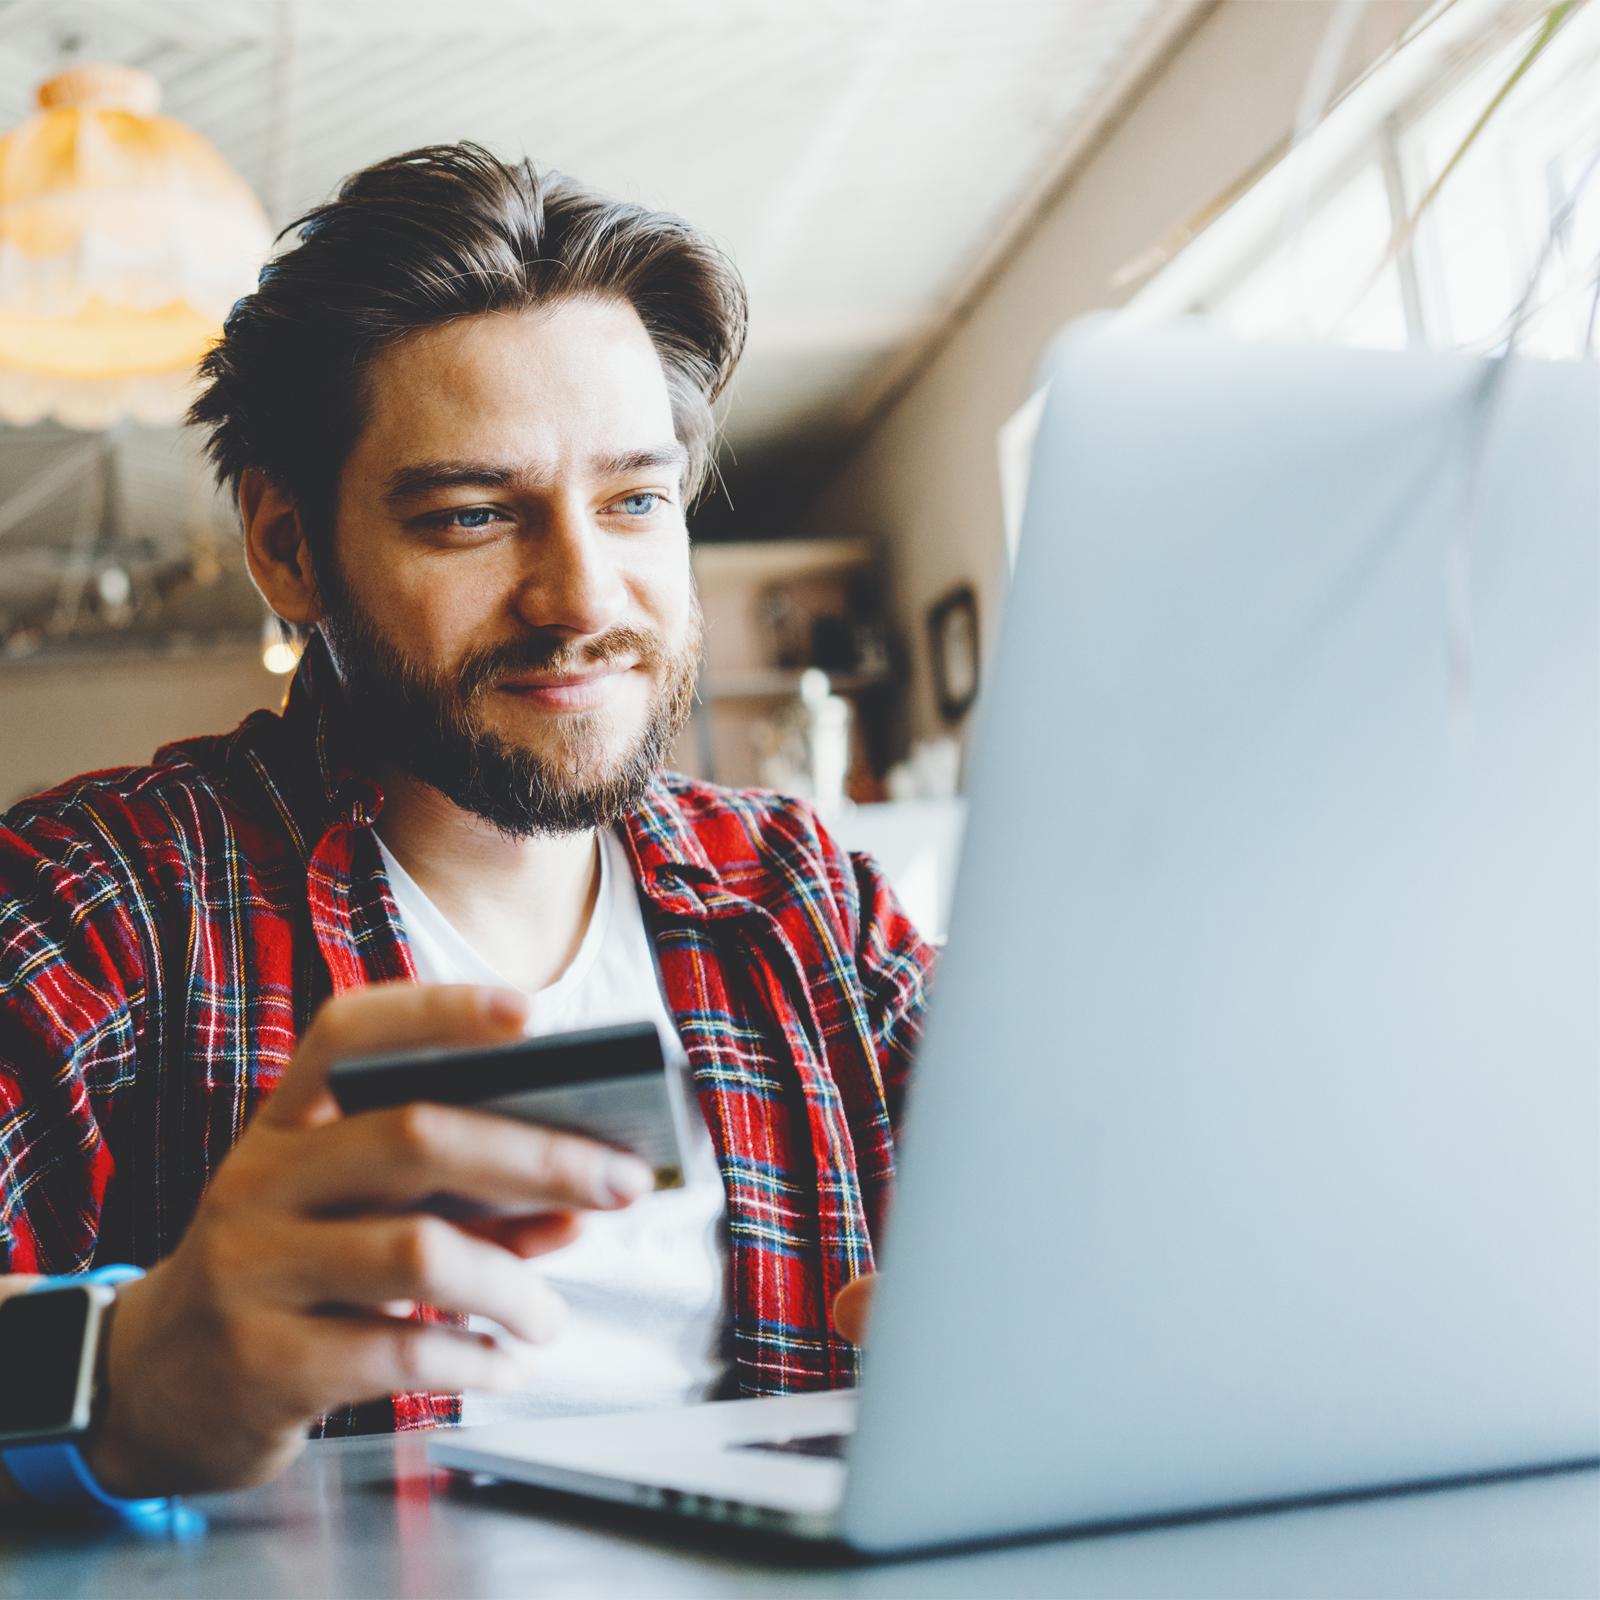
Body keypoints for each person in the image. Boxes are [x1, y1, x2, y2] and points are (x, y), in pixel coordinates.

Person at [0, 144, 926, 1506]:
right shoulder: (99, 904)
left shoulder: (808, 906)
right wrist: (131, 1371)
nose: (579, 594)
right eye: (474, 516)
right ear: (286, 548)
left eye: (634, 501)